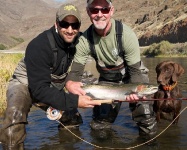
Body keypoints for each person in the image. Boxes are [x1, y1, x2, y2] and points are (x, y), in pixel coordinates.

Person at [0, 3, 101, 149]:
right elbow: (39, 90)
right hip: (25, 84)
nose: (70, 30)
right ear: (56, 24)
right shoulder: (39, 45)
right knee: (13, 123)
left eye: (75, 25)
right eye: (64, 24)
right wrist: (75, 101)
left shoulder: (80, 41)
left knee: (72, 119)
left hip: (51, 85)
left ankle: (66, 145)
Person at [65, 0, 157, 140]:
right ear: (88, 12)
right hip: (108, 80)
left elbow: (135, 72)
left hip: (132, 75)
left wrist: (136, 92)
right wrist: (70, 84)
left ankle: (150, 143)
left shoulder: (127, 35)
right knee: (99, 125)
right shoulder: (84, 40)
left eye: (104, 10)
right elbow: (76, 73)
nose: (99, 14)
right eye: (95, 10)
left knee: (145, 114)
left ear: (112, 11)